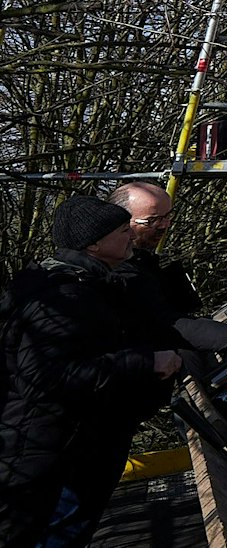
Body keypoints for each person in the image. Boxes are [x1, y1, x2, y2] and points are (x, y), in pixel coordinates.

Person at [0, 196, 184, 547]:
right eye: (120, 230)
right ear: (95, 243)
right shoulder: (66, 296)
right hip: (52, 454)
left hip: (56, 447)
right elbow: (47, 376)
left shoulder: (68, 282)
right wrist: (146, 362)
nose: (130, 235)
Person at [107, 182, 227, 365]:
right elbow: (167, 322)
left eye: (167, 216)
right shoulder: (115, 270)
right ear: (122, 224)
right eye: (152, 221)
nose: (164, 226)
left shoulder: (139, 257)